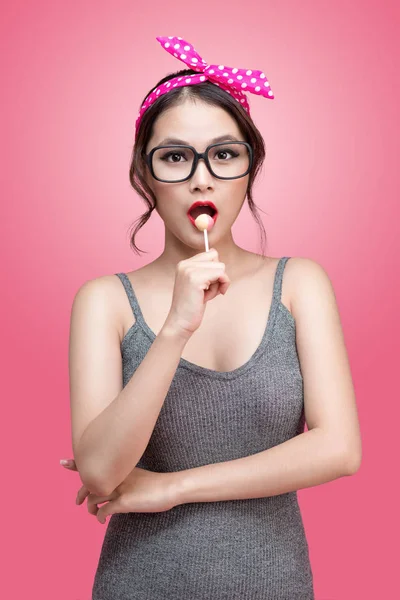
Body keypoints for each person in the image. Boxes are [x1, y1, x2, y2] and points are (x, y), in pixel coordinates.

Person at [64, 36, 362, 600]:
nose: (202, 178)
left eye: (224, 154)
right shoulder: (104, 301)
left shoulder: (299, 285)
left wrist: (174, 488)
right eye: (175, 157)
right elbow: (100, 473)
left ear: (250, 168)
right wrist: (175, 328)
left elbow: (338, 448)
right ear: (144, 175)